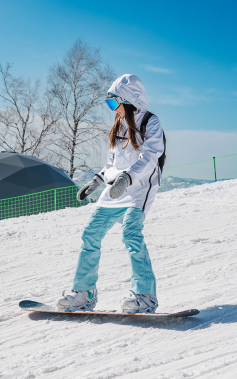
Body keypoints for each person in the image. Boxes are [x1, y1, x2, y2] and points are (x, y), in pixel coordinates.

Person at [56, 74, 166, 313]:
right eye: (109, 104)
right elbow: (111, 162)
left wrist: (127, 178)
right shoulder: (118, 125)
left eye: (114, 103)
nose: (112, 109)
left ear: (129, 100)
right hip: (114, 188)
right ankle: (84, 293)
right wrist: (97, 180)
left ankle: (145, 295)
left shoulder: (150, 122)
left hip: (138, 189)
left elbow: (151, 156)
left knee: (131, 235)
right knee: (90, 234)